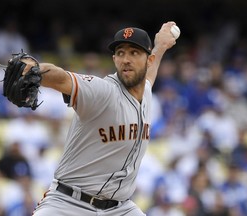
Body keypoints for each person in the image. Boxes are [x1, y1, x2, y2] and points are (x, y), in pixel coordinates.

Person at [29, 21, 177, 215]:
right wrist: (32, 69)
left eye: (134, 53)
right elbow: (62, 78)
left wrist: (161, 46)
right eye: (121, 53)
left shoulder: (146, 92)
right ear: (114, 59)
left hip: (120, 208)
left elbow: (148, 76)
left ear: (148, 60)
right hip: (69, 204)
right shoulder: (103, 91)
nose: (126, 59)